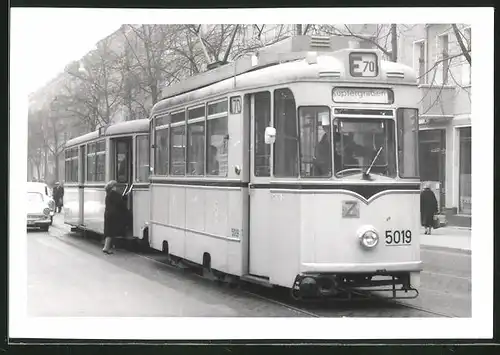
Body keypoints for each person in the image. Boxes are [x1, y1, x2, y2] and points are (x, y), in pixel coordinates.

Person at [103, 180, 129, 254]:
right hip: (113, 215)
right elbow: (120, 203)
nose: (117, 188)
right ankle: (106, 248)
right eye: (116, 186)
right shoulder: (114, 194)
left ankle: (106, 247)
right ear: (113, 187)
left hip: (107, 214)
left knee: (108, 232)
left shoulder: (108, 194)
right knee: (111, 232)